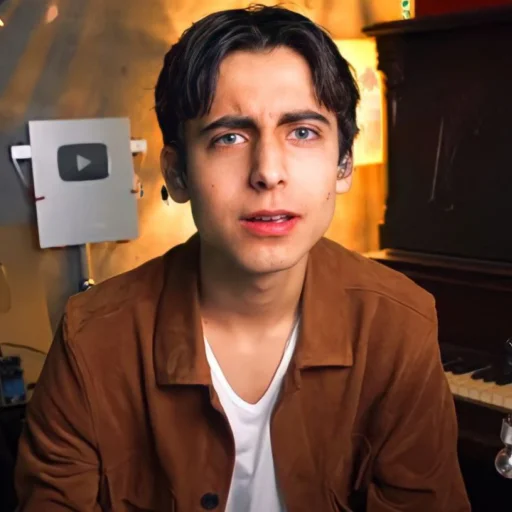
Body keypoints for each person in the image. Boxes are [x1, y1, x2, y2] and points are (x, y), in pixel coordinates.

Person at [15, 5, 470, 511]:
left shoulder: (399, 325)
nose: (268, 172)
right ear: (178, 174)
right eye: (229, 137)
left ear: (343, 164)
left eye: (302, 132)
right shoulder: (92, 340)